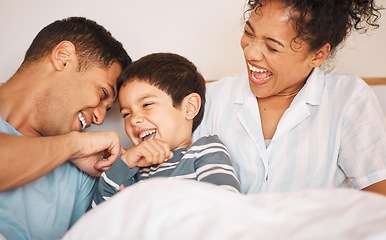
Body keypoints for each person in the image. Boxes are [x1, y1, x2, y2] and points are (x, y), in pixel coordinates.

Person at [193, 0, 386, 195]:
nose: (250, 52)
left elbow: (379, 203)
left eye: (272, 47)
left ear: (318, 55)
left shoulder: (348, 99)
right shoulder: (210, 98)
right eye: (248, 33)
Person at [0, 17, 132, 239]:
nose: (99, 118)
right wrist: (74, 146)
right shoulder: (76, 147)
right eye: (102, 94)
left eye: (107, 110)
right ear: (63, 58)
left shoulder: (81, 172)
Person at [92, 53, 240, 207]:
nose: (134, 119)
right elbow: (97, 217)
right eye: (126, 114)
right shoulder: (132, 171)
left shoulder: (204, 151)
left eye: (147, 104)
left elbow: (226, 208)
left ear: (190, 107)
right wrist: (125, 163)